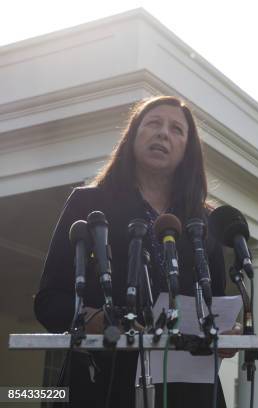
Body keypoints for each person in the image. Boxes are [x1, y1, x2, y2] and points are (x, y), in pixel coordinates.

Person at [34, 95, 240, 407]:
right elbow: (50, 300)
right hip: (104, 383)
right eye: (153, 124)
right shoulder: (88, 204)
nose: (163, 134)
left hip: (188, 392)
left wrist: (229, 332)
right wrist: (92, 318)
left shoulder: (204, 221)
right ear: (133, 135)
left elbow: (213, 307)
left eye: (176, 130)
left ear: (188, 150)